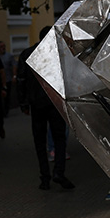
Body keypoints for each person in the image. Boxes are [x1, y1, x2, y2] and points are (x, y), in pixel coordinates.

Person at [18, 27, 73, 190]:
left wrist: (23, 103)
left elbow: (21, 80)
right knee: (60, 139)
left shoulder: (27, 53)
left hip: (36, 105)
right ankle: (59, 172)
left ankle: (45, 177)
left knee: (40, 141)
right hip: (55, 103)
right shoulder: (57, 54)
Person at [0, 40, 16, 117]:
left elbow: (14, 66)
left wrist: (14, 76)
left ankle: (6, 111)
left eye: (4, 46)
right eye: (1, 46)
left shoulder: (9, 56)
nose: (3, 48)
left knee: (7, 96)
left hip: (8, 79)